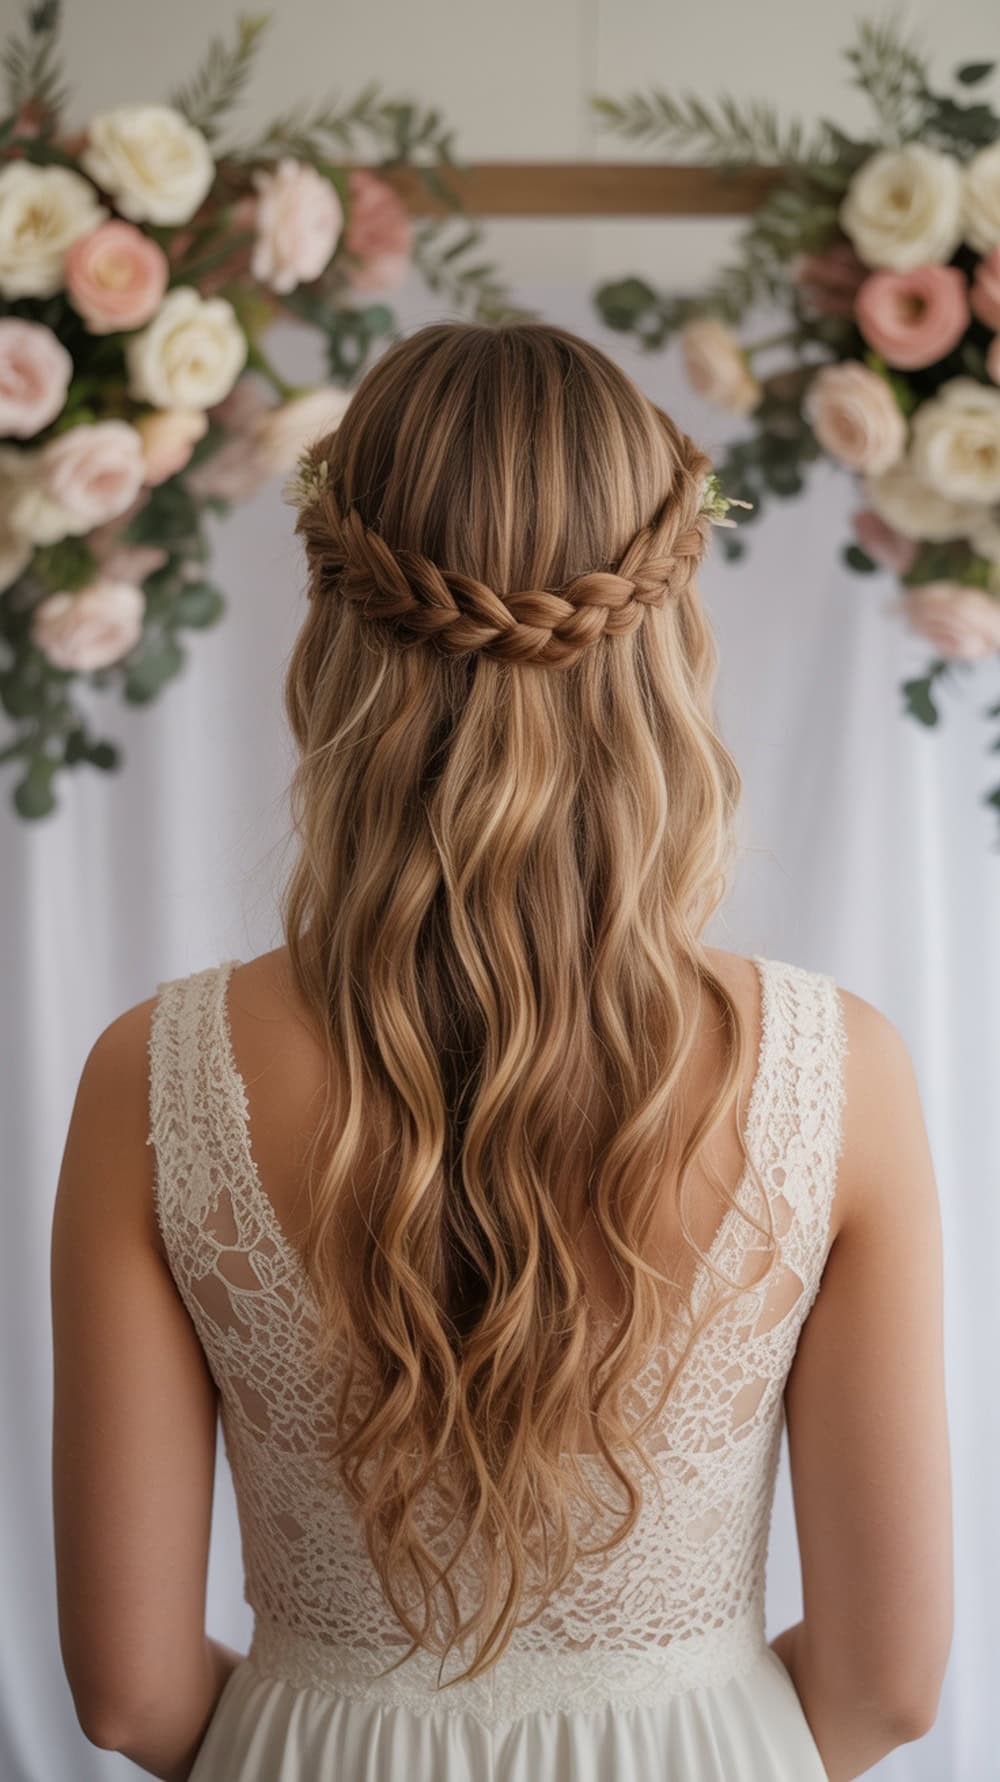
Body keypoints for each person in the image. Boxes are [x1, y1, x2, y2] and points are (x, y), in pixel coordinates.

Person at [50, 320, 952, 1782]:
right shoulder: (837, 1073)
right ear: (666, 625)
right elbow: (890, 1686)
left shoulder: (154, 1077)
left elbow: (130, 1696)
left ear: (336, 622)